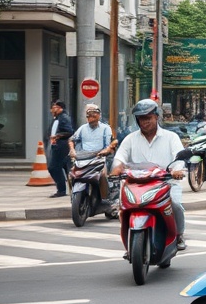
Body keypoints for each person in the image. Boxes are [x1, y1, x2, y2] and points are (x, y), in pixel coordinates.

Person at [112, 99, 188, 250]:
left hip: (166, 182)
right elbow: (120, 157)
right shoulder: (130, 139)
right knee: (122, 207)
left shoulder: (171, 137)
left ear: (156, 117)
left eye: (148, 118)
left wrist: (176, 170)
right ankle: (129, 240)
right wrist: (116, 168)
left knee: (176, 205)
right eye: (141, 119)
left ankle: (179, 235)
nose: (144, 122)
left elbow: (179, 157)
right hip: (136, 185)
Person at [68, 104, 116, 201]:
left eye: (94, 115)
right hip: (84, 158)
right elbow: (71, 140)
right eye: (89, 115)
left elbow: (109, 145)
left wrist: (105, 151)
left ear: (99, 116)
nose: (91, 117)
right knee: (71, 175)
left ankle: (105, 200)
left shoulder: (105, 128)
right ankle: (73, 197)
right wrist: (72, 150)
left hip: (99, 158)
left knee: (102, 175)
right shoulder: (82, 128)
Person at [47, 99, 74, 198]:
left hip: (62, 147)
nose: (52, 110)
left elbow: (70, 131)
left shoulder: (64, 118)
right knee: (65, 169)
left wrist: (58, 136)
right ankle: (64, 189)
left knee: (54, 167)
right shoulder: (57, 118)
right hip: (57, 146)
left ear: (59, 108)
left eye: (54, 107)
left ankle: (62, 190)